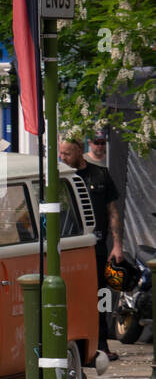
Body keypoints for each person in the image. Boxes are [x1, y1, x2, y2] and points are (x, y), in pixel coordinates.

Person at [59, 138, 122, 362]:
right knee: (72, 295)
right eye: (61, 153)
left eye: (67, 153)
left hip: (96, 247)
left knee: (101, 295)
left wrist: (117, 245)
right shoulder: (60, 177)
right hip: (69, 248)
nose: (63, 157)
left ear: (79, 151)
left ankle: (101, 342)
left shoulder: (100, 175)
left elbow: (113, 211)